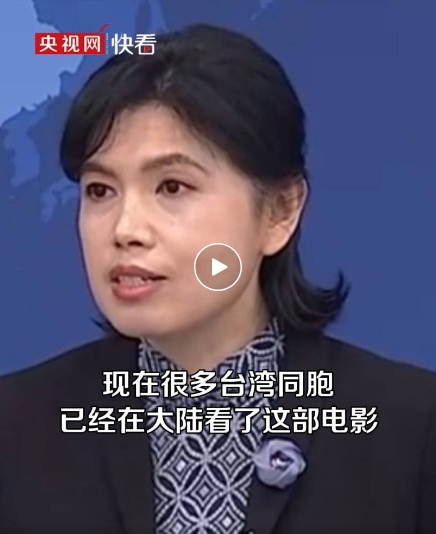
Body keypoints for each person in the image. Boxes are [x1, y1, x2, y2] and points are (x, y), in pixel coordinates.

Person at [0, 22, 435, 534]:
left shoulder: (412, 428)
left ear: (279, 211)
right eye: (100, 191)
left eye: (172, 186)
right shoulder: (16, 427)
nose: (125, 229)